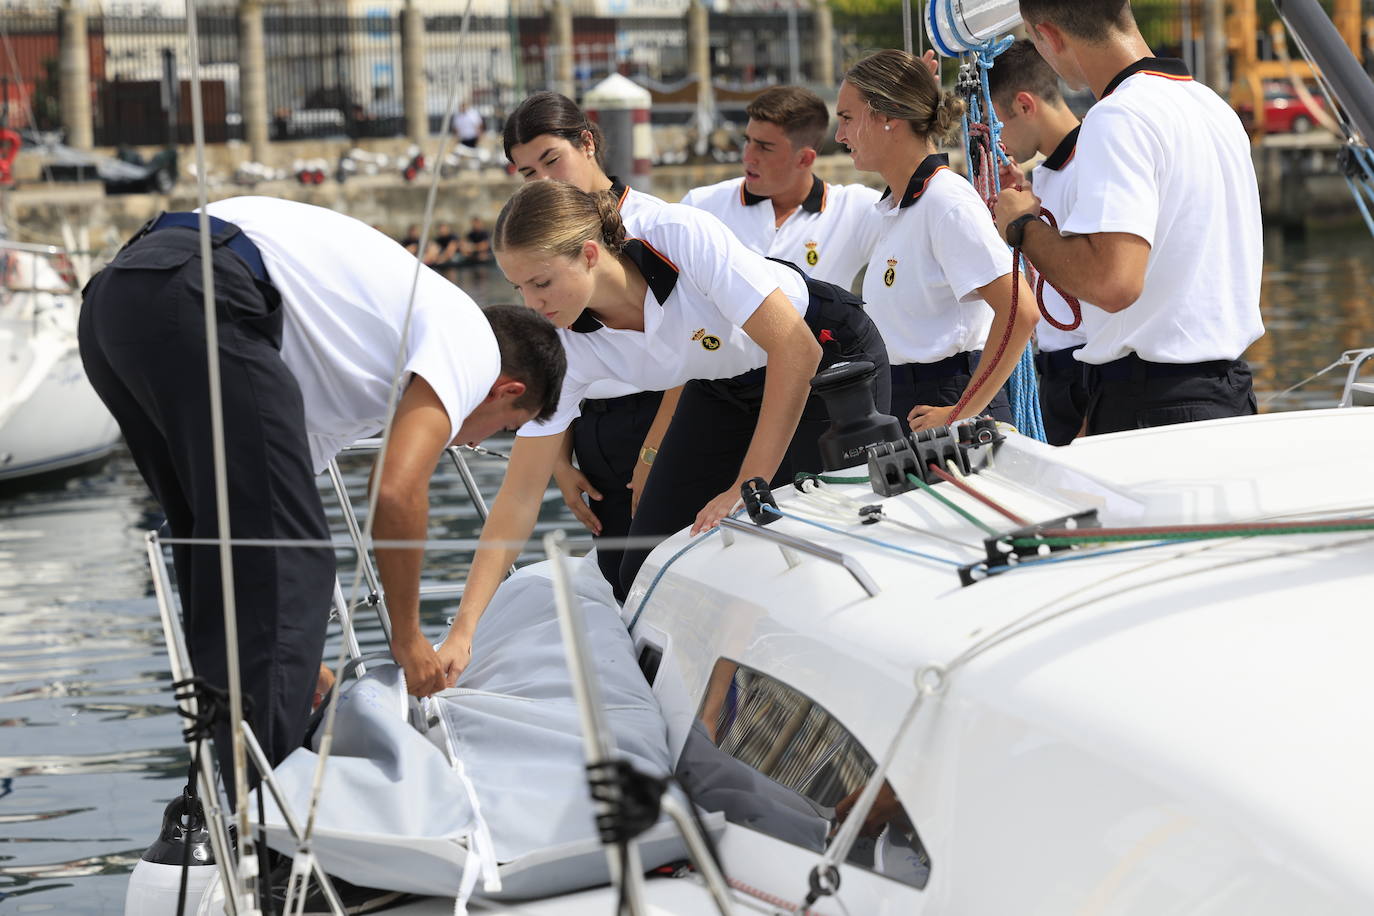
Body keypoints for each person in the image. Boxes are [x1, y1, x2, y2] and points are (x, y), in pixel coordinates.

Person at [78, 197, 564, 799]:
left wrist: (300, 666)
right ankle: (274, 827)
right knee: (290, 566)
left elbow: (266, 523)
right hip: (203, 291)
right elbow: (395, 487)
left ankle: (225, 800)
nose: (473, 441)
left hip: (117, 302)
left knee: (220, 556)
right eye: (498, 428)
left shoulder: (352, 372)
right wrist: (409, 639)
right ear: (505, 390)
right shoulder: (474, 342)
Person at [432, 180, 890, 673]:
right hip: (720, 384)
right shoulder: (565, 344)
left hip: (827, 355)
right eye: (518, 287)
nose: (531, 304)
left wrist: (745, 484)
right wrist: (463, 633)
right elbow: (519, 497)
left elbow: (796, 349)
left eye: (540, 283)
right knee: (644, 572)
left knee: (817, 541)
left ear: (589, 254)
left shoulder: (679, 236)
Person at [996, 0, 1263, 434]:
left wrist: (1022, 225)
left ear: (1049, 36)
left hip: (1154, 405)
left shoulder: (1116, 115)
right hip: (1226, 392)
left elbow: (1113, 283)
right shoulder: (1212, 106)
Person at [502, 90, 670, 587]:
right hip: (593, 425)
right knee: (620, 577)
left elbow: (692, 351)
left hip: (671, 410)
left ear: (588, 143)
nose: (545, 179)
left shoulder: (655, 224)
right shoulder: (534, 245)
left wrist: (653, 452)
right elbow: (562, 355)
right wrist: (559, 460)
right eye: (529, 173)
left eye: (552, 160)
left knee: (670, 572)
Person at [836, 49, 1037, 432]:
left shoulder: (945, 201)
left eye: (847, 118)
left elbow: (1019, 313)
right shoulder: (900, 208)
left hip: (947, 401)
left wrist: (962, 411)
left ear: (889, 118)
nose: (839, 135)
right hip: (908, 402)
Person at [986, 39, 1091, 445]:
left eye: (998, 125)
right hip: (1058, 369)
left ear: (1026, 106)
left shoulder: (1091, 165)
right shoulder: (1047, 174)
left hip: (1088, 368)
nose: (997, 141)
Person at [681, 86, 882, 289]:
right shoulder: (699, 207)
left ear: (804, 158)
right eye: (747, 141)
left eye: (764, 147)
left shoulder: (856, 210)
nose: (748, 157)